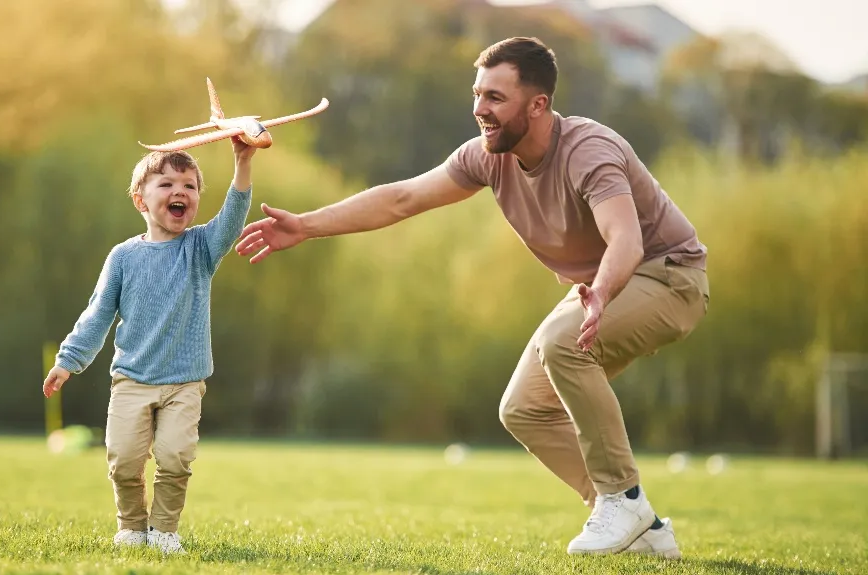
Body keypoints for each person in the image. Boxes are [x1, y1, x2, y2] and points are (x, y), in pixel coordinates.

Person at [234, 36, 708, 559]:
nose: (481, 109)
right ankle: (637, 526)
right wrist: (306, 225)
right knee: (524, 409)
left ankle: (624, 496)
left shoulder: (589, 152)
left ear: (538, 104)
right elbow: (402, 198)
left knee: (561, 341)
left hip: (670, 277)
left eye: (496, 98)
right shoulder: (488, 157)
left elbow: (626, 240)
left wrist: (598, 293)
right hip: (604, 288)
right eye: (477, 95)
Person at [42, 138, 256, 553]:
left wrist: (242, 161)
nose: (181, 192)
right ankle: (132, 527)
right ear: (140, 200)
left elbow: (232, 216)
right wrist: (68, 360)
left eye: (190, 186)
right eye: (168, 184)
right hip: (132, 380)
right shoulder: (122, 257)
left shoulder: (200, 249)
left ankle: (163, 532)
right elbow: (98, 313)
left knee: (175, 458)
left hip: (184, 382)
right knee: (122, 460)